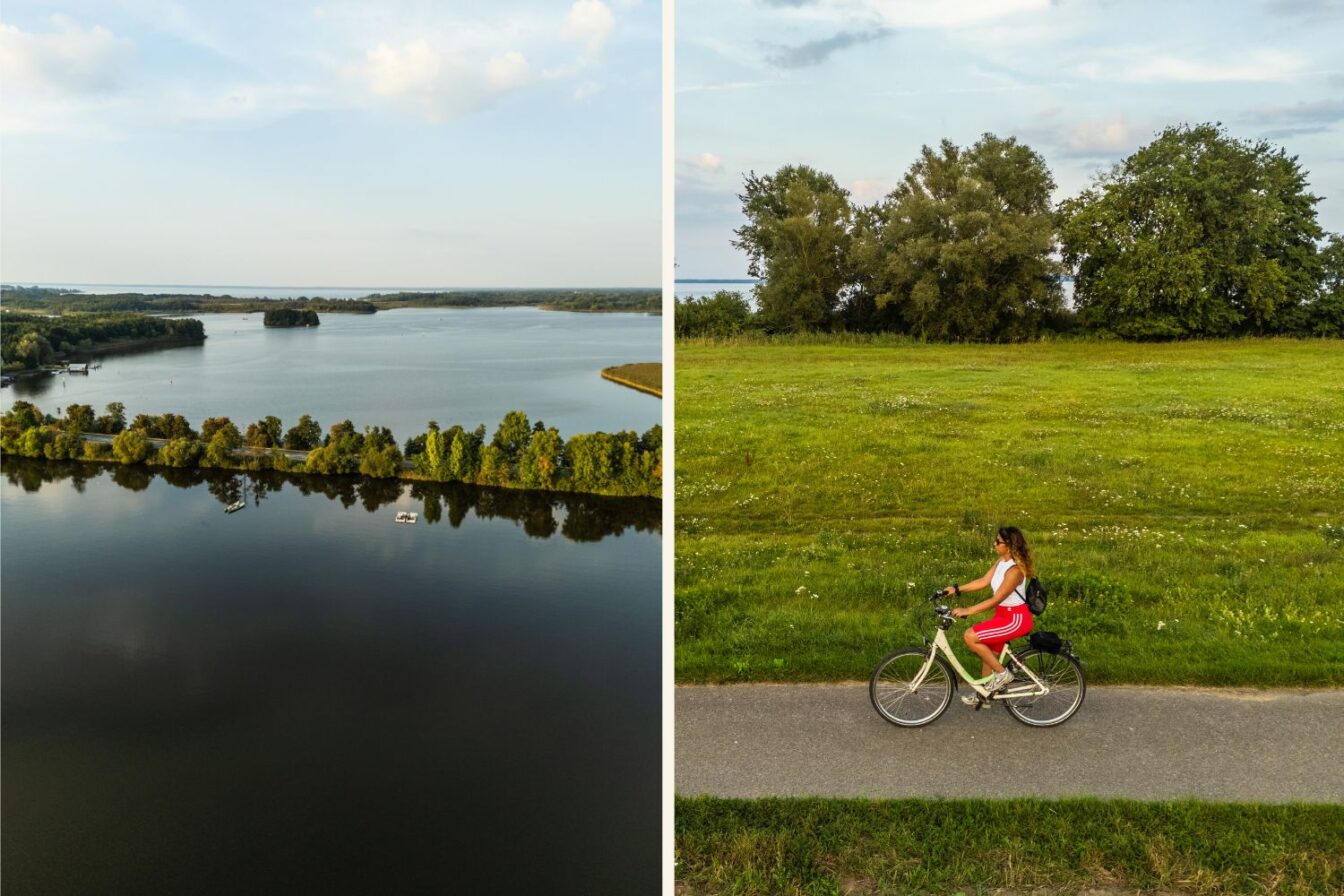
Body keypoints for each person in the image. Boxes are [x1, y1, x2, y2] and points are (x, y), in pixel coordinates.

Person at [940, 526, 1035, 704]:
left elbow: (996, 599)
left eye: (998, 541)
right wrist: (956, 589)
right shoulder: (1002, 562)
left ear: (1009, 545)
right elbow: (983, 581)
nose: (994, 544)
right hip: (1002, 616)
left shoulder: (1014, 571)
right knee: (987, 652)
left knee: (970, 636)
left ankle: (1003, 675)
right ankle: (984, 695)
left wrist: (968, 610)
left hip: (1015, 619)